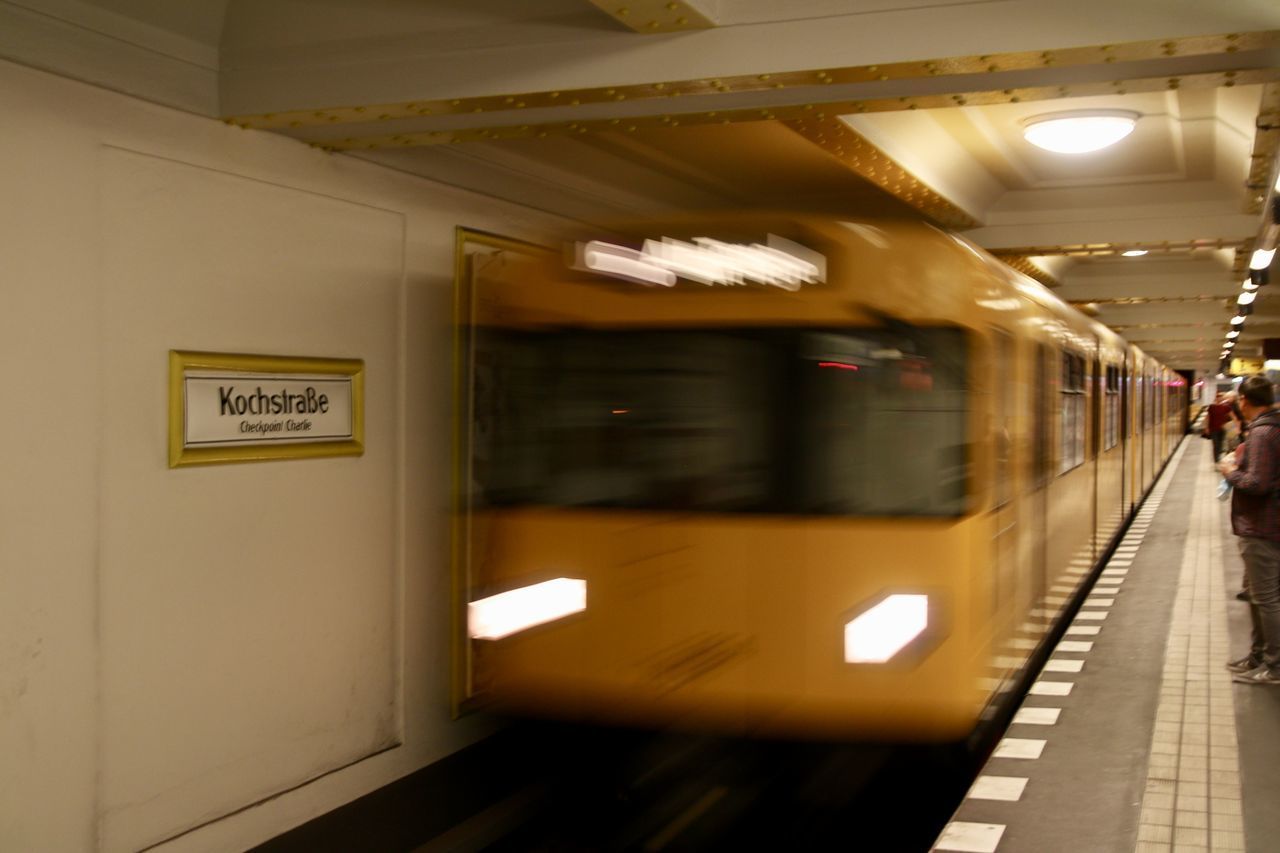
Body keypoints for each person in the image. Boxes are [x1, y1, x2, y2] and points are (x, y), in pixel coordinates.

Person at [1220, 375, 1280, 685]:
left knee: (1266, 599)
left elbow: (1257, 484)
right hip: (1270, 525)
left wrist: (1231, 472)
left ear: (1244, 401)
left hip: (1261, 526)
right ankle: (1258, 657)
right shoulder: (1275, 427)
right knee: (1261, 597)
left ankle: (1274, 665)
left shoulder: (1262, 433)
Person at [1205, 392, 1233, 463]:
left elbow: (1232, 416)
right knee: (1215, 444)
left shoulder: (1226, 407)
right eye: (1218, 397)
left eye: (1221, 397)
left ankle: (1218, 456)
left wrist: (1234, 426)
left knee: (1220, 443)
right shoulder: (1212, 407)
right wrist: (1206, 427)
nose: (1219, 399)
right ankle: (1216, 460)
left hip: (1222, 428)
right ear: (1216, 398)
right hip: (1213, 428)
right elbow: (1208, 417)